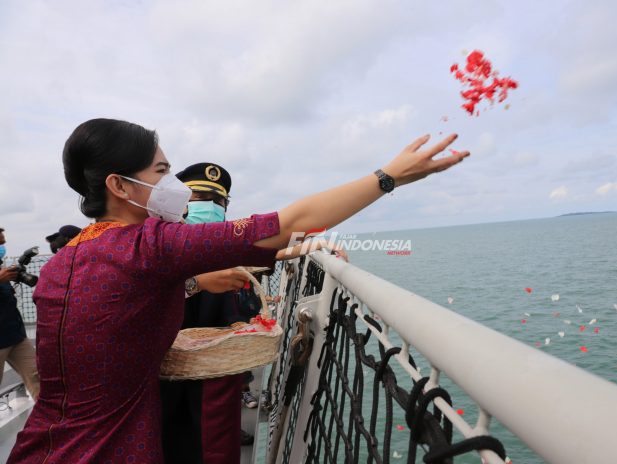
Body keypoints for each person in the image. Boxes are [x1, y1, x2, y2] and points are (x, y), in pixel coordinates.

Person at [8, 118, 467, 463]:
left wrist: (192, 281)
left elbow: (118, 301)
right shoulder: (150, 244)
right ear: (117, 185)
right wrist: (387, 178)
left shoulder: (65, 259)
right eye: (161, 171)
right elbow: (289, 222)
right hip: (113, 449)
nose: (172, 185)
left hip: (41, 445)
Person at [160, 162, 257, 464]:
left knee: (213, 445)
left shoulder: (231, 249)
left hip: (217, 374)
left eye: (220, 201)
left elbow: (248, 304)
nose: (213, 207)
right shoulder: (161, 246)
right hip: (164, 374)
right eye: (202, 198)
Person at [0, 227, 40, 400]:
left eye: (3, 243)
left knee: (38, 377)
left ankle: (52, 422)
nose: (3, 246)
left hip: (15, 336)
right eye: (0, 243)